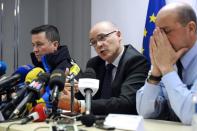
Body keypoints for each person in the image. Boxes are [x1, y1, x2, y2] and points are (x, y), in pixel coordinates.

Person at [58, 21, 148, 115]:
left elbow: (127, 103)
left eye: (102, 37)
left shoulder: (136, 61)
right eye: (93, 42)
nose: (98, 45)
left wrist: (80, 105)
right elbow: (88, 98)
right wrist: (73, 91)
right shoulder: (94, 64)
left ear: (118, 35)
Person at [136, 3, 197, 125]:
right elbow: (144, 112)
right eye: (157, 32)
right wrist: (155, 73)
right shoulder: (167, 58)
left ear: (191, 28)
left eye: (165, 31)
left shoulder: (166, 62)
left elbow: (191, 116)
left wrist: (167, 69)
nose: (159, 38)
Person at [30, 25, 79, 108]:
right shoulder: (37, 70)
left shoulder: (70, 69)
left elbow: (72, 105)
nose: (35, 50)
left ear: (55, 45)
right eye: (33, 45)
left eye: (39, 44)